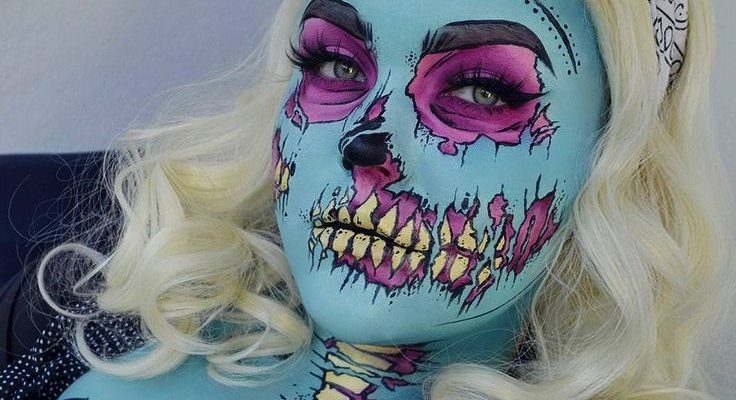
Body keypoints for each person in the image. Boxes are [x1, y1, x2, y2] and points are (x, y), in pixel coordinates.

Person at [1, 0, 733, 399]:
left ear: (612, 152)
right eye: (336, 64)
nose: (367, 144)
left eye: (482, 90)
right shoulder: (102, 304)